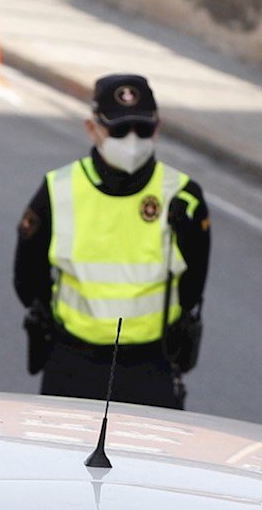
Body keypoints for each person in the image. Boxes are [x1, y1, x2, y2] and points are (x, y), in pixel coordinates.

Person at [13, 74, 211, 409]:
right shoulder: (57, 189)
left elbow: (194, 284)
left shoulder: (183, 196)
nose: (132, 140)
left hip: (151, 367)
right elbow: (27, 278)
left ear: (157, 128)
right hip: (73, 364)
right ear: (92, 129)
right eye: (118, 130)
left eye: (142, 129)